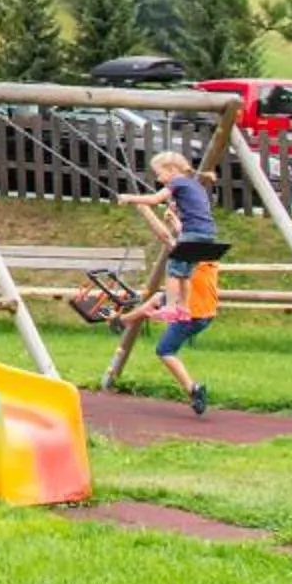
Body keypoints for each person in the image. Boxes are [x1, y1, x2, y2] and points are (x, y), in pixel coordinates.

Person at [117, 150, 225, 415]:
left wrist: (141, 206)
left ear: (171, 169)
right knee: (157, 299)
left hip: (194, 315)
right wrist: (177, 221)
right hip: (205, 310)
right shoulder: (206, 256)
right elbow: (178, 235)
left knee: (164, 350)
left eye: (160, 174)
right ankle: (123, 320)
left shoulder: (190, 256)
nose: (159, 179)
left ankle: (193, 388)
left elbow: (167, 238)